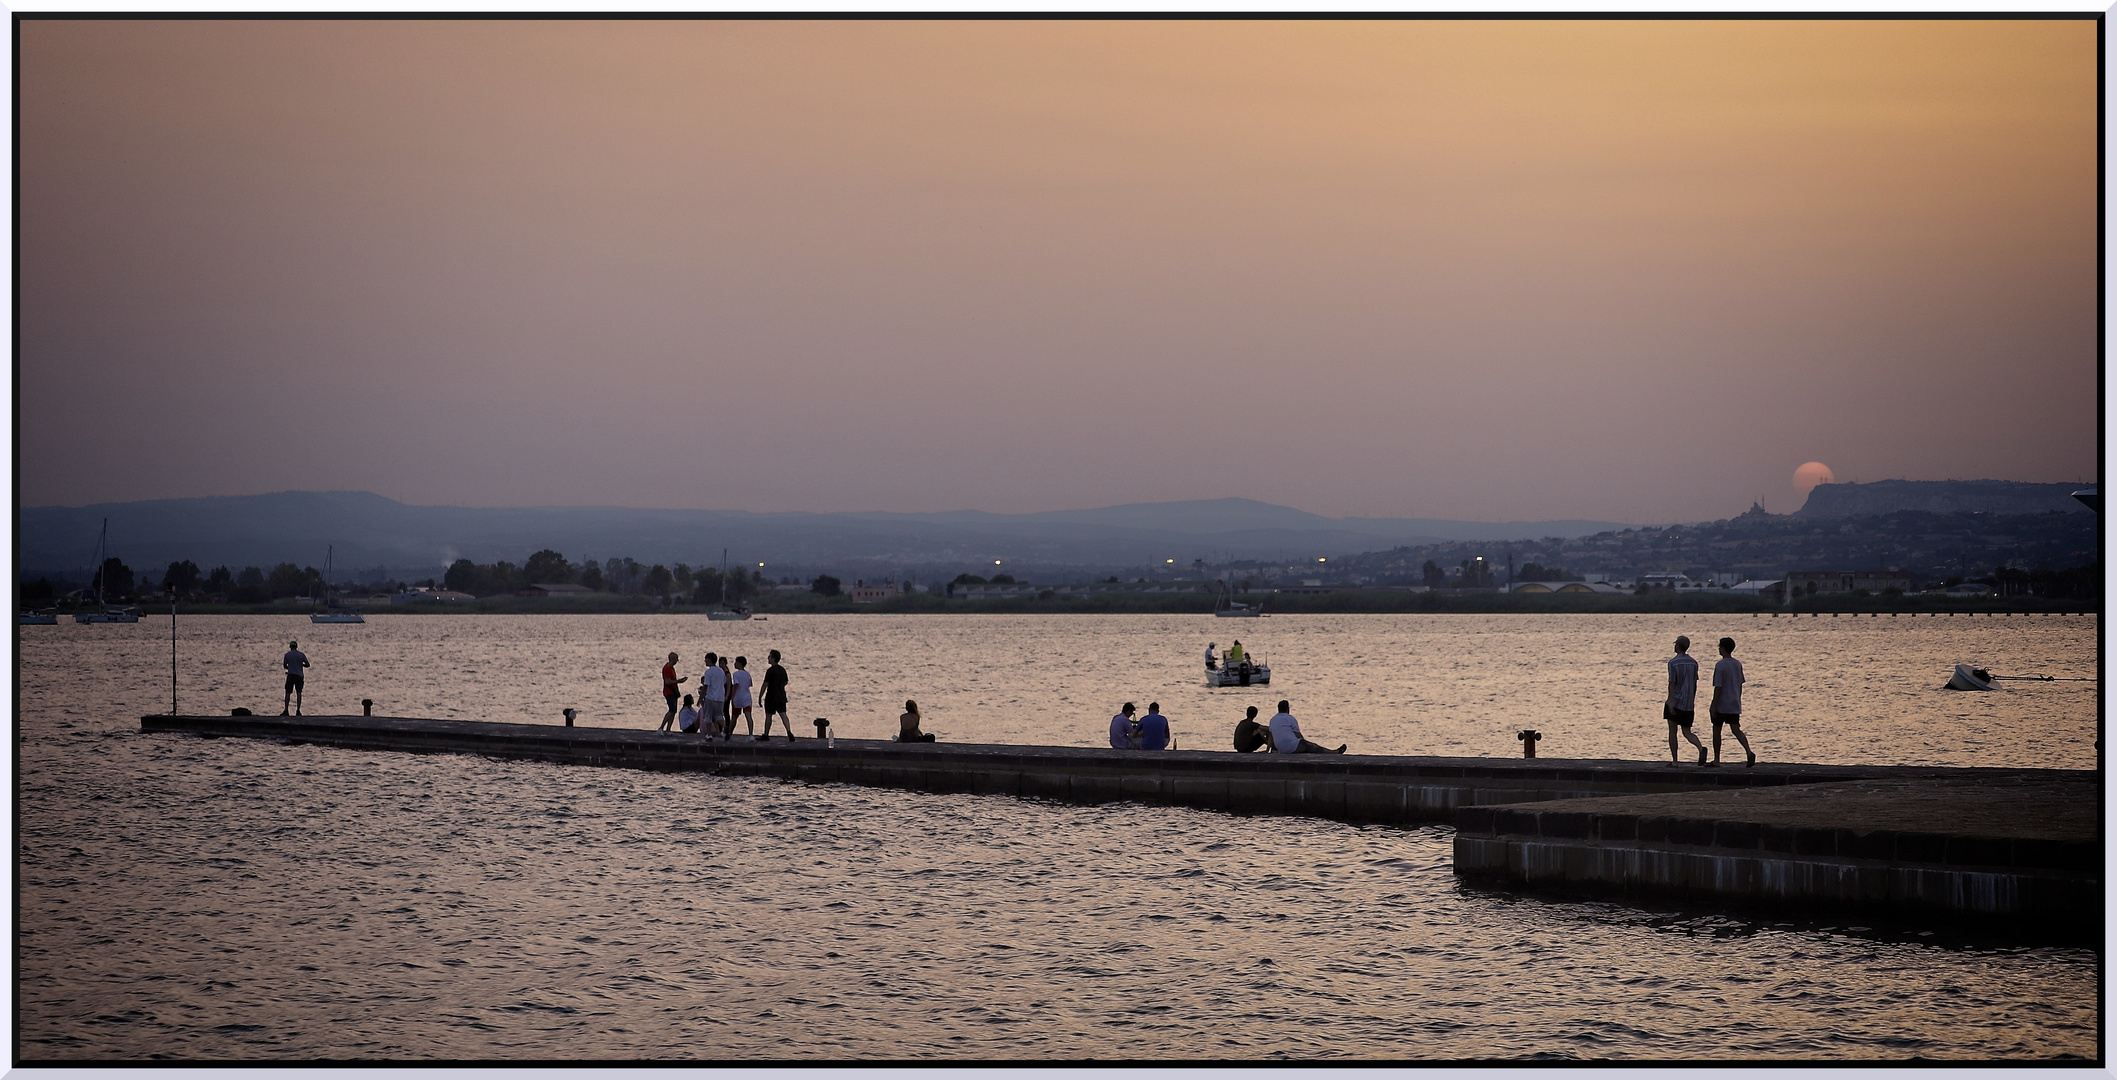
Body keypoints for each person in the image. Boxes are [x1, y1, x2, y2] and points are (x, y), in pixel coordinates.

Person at [1710, 637, 1757, 767]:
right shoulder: (1737, 664)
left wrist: (1713, 705)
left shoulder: (1720, 665)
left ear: (1723, 648)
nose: (1718, 648)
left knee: (1717, 730)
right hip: (1734, 702)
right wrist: (1738, 698)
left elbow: (1718, 687)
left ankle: (1717, 760)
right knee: (1736, 729)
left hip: (1722, 703)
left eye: (1720, 646)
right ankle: (1748, 751)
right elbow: (1740, 684)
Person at [1665, 635, 1707, 767]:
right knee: (1687, 732)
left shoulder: (1673, 663)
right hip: (1688, 703)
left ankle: (1675, 761)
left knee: (1673, 731)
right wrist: (1692, 700)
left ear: (1677, 646)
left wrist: (1670, 702)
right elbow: (1694, 683)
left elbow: (1672, 683)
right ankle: (1700, 748)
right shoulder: (1694, 663)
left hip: (1676, 701)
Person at [1267, 700, 1345, 754]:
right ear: (1288, 709)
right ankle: (1335, 752)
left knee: (1308, 747)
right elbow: (1298, 735)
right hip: (1293, 746)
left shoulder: (1272, 719)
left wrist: (1268, 749)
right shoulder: (1290, 718)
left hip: (1281, 749)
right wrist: (1305, 742)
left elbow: (1271, 737)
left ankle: (1333, 752)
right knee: (1313, 747)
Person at [759, 649, 793, 741]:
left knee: (769, 715)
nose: (768, 658)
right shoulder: (782, 670)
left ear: (773, 658)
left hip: (771, 696)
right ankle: (789, 731)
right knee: (783, 714)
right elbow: (786, 682)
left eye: (769, 657)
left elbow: (765, 684)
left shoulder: (770, 671)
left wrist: (760, 696)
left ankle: (766, 734)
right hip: (781, 695)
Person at [700, 652, 727, 738]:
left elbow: (706, 685)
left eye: (706, 659)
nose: (705, 661)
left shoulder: (708, 672)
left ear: (710, 660)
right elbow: (724, 682)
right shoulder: (721, 671)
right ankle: (725, 727)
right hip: (720, 698)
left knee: (708, 717)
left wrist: (701, 697)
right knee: (719, 716)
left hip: (711, 697)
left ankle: (709, 735)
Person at [280, 640, 309, 716]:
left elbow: (285, 666)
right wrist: (300, 665)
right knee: (299, 692)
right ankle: (298, 710)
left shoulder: (287, 655)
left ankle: (286, 710)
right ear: (296, 647)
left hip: (291, 675)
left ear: (290, 647)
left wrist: (291, 667)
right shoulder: (301, 655)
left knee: (288, 692)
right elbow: (308, 664)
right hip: (299, 675)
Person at [731, 656, 757, 738]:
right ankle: (751, 734)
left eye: (736, 662)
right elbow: (749, 685)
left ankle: (729, 733)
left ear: (739, 663)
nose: (734, 664)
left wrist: (732, 697)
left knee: (734, 717)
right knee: (748, 716)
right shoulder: (747, 674)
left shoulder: (736, 674)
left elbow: (736, 685)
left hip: (738, 698)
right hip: (746, 697)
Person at [660, 652, 687, 730]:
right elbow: (667, 681)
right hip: (669, 692)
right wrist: (679, 681)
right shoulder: (667, 668)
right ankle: (661, 727)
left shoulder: (671, 668)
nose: (677, 661)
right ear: (672, 659)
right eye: (676, 659)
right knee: (671, 710)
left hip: (673, 692)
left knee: (674, 711)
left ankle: (668, 729)